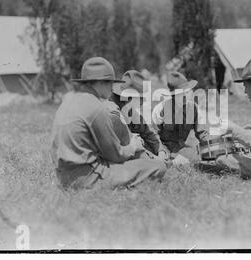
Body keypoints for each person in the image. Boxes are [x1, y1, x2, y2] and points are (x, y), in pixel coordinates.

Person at [51, 57, 167, 190]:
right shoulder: (98, 108)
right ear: (101, 83)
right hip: (88, 178)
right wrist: (133, 146)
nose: (112, 88)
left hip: (62, 177)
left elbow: (53, 148)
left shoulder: (67, 101)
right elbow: (116, 155)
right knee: (158, 167)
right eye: (110, 83)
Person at [152, 71, 208, 163]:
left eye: (188, 91)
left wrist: (212, 145)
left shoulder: (194, 108)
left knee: (198, 157)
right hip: (163, 149)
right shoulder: (160, 109)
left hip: (181, 148)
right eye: (181, 93)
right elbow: (153, 136)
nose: (186, 95)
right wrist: (165, 153)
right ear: (173, 95)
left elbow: (202, 133)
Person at [110, 70, 166, 160]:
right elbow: (128, 146)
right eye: (140, 99)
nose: (142, 102)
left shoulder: (129, 109)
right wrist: (156, 160)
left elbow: (148, 133)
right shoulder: (112, 112)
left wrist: (161, 151)